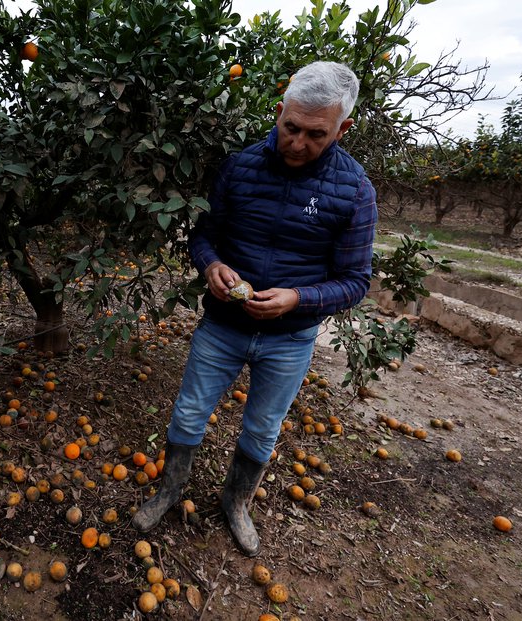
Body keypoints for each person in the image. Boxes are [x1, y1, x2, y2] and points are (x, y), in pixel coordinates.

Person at [131, 61, 378, 556]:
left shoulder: (354, 190)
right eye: (291, 127)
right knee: (190, 411)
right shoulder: (239, 167)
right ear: (280, 109)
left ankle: (237, 501)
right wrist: (212, 265)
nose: (298, 143)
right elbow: (204, 235)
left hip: (290, 338)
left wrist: (298, 298)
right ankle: (170, 488)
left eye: (316, 134)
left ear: (342, 129)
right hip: (223, 326)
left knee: (263, 426)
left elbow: (355, 281)